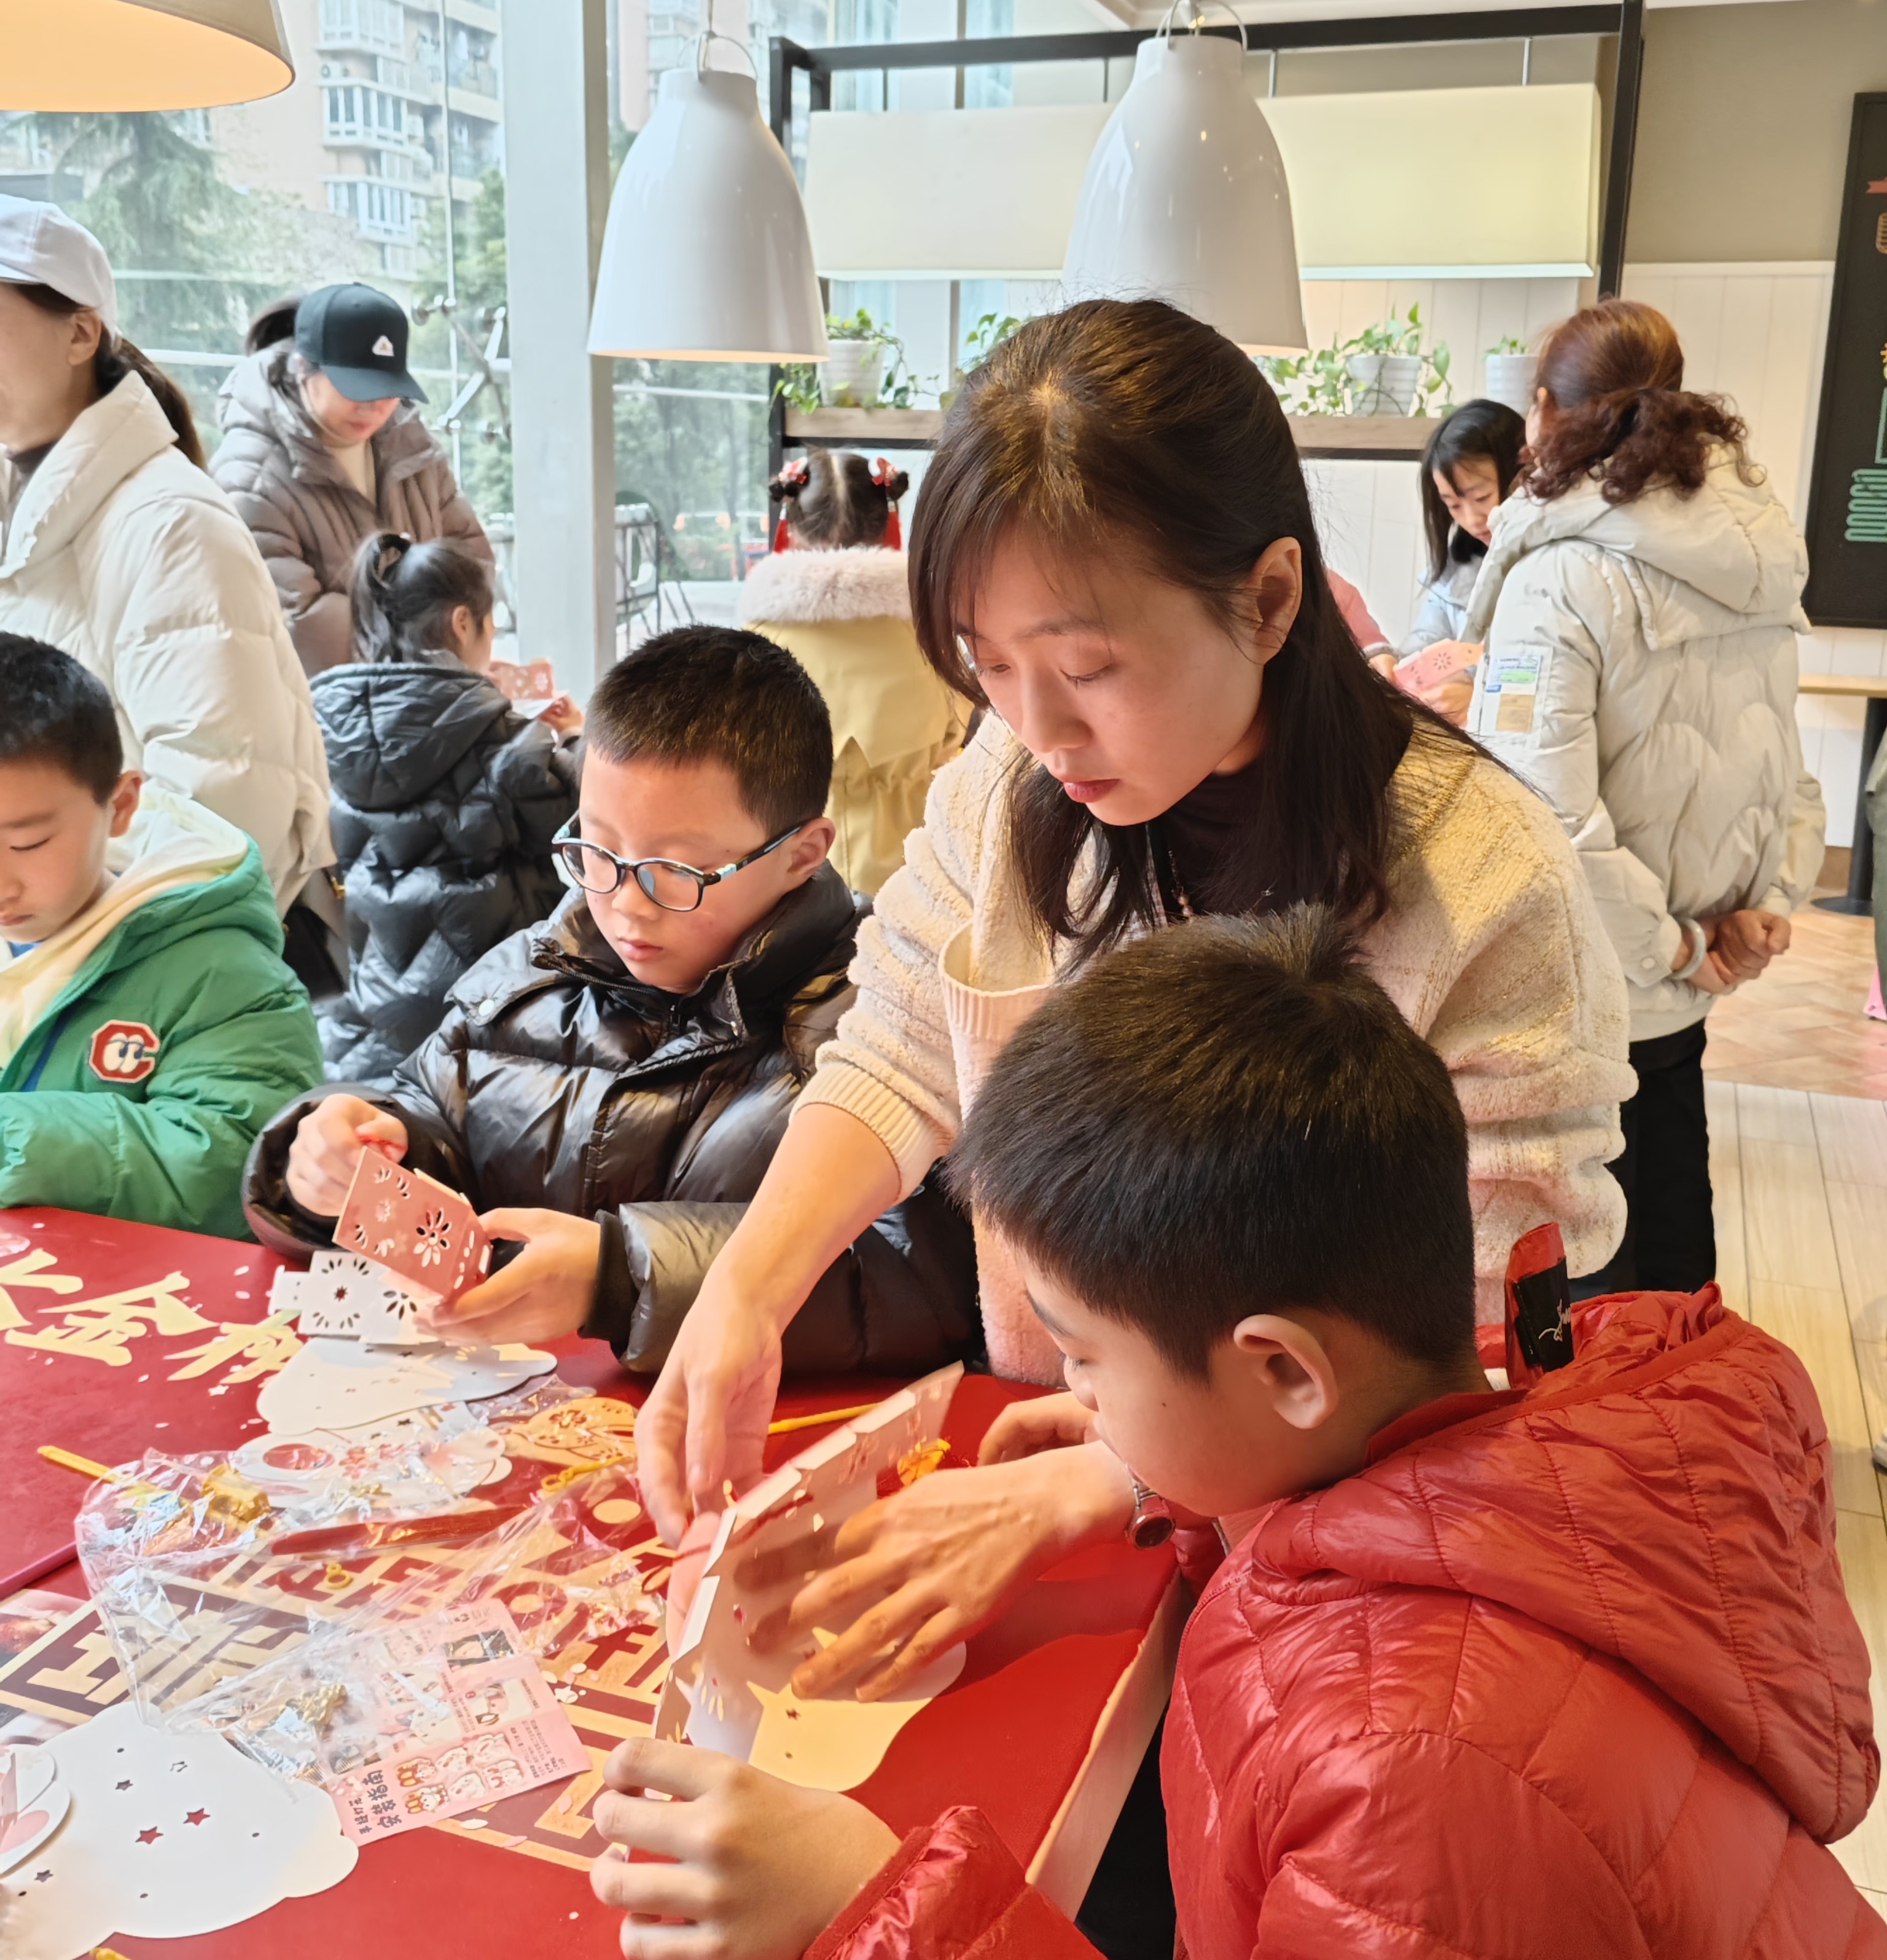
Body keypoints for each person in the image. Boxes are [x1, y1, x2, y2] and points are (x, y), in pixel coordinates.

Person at [586, 911, 1887, 1960]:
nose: (1075, 1390)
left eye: (1085, 1354)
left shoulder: (1414, 1786)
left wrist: (868, 1922)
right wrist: (1190, 1473)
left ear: (1286, 1371)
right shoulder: (1522, 1433)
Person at [596, 299, 1630, 1548]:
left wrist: (1125, 1474)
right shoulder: (1007, 782)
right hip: (1042, 1452)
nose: (1039, 727)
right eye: (987, 662)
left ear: (1269, 598)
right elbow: (901, 1045)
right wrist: (744, 1293)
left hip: (1327, 1541)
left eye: (1085, 668)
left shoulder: (1484, 878)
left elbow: (1467, 1340)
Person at [243, 625, 979, 1378]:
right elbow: (429, 1117)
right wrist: (341, 1158)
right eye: (596, 851)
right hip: (506, 1421)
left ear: (802, 852)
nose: (625, 904)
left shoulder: (883, 1019)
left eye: (676, 870)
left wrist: (621, 1279)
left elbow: (923, 1272)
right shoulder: (528, 972)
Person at [1464, 299, 1824, 1295]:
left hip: (1592, 987)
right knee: (1673, 1261)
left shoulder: (1560, 579)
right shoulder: (1753, 562)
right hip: (1685, 975)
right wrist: (1758, 910)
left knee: (1577, 1284)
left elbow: (1542, 823)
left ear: (1545, 412)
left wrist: (1678, 948)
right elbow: (1786, 770)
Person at [0, 197, 331, 916]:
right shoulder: (24, 512)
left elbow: (223, 816)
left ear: (81, 332)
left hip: (152, 966)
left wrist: (64, 939)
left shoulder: (170, 525)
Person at [0, 634, 323, 1238]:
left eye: (27, 843)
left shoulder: (223, 972)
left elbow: (239, 1162)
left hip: (114, 1292)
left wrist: (12, 1139)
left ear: (121, 805)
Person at [311, 532, 584, 1083]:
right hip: (490, 1016)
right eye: (490, 624)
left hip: (379, 1020)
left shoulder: (339, 736)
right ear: (463, 623)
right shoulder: (500, 738)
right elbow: (586, 816)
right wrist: (576, 736)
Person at [213, 281, 493, 679]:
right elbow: (301, 627)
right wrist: (437, 653)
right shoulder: (251, 478)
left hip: (426, 691)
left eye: (387, 389)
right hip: (334, 707)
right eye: (356, 389)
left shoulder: (411, 443)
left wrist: (461, 653)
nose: (374, 406)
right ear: (302, 367)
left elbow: (471, 563)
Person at [739, 452, 967, 896]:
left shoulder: (751, 645)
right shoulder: (934, 638)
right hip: (914, 879)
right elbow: (955, 744)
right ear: (889, 524)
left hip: (786, 884)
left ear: (791, 527)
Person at [1400, 395, 1526, 665]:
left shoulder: (1555, 564)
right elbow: (1422, 648)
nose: (1472, 520)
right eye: (1454, 506)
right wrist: (1388, 661)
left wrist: (1472, 688)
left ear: (1523, 475)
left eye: (1482, 498)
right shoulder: (1455, 574)